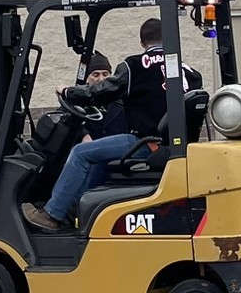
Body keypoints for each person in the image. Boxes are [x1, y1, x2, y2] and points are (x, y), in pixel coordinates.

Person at [22, 18, 202, 232]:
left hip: (146, 143)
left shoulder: (134, 66)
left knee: (80, 152)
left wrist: (69, 92)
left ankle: (52, 214)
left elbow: (102, 92)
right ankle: (77, 210)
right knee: (99, 156)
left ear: (142, 42)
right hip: (173, 145)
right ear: (168, 37)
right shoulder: (190, 72)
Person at [80, 52, 127, 142]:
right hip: (89, 148)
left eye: (105, 74)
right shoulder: (78, 101)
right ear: (87, 78)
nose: (101, 79)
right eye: (96, 75)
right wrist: (83, 134)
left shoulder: (124, 101)